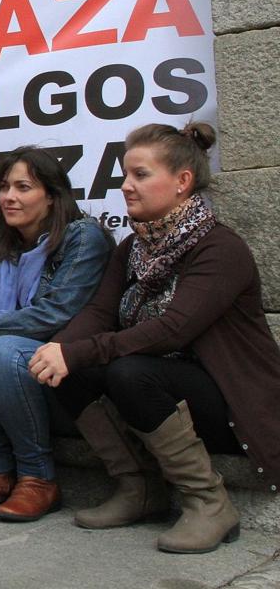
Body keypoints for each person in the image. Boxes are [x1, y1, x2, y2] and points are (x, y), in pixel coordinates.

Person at [30, 123, 280, 554]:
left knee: (129, 371)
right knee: (71, 369)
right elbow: (100, 314)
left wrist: (76, 351)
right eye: (125, 175)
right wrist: (58, 350)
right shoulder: (135, 246)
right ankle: (139, 489)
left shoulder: (219, 248)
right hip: (164, 393)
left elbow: (171, 331)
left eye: (140, 175)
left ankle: (209, 502)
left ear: (183, 182)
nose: (126, 186)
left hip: (232, 401)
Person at [0, 148, 113, 520]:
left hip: (68, 366)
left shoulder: (82, 236)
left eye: (23, 187)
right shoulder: (8, 244)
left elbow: (56, 312)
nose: (9, 197)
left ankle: (38, 479)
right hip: (15, 363)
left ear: (51, 194)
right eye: (4, 187)